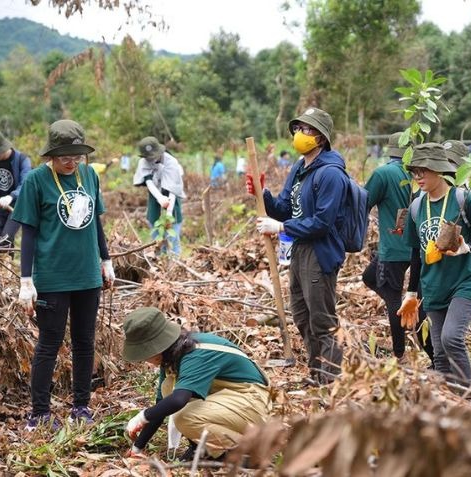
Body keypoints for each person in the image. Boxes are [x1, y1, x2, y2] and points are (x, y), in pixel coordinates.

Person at [11, 119, 114, 430]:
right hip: (53, 277)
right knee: (49, 343)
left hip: (87, 276)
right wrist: (26, 281)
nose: (72, 162)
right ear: (51, 155)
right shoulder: (36, 181)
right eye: (65, 156)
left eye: (77, 156)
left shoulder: (89, 175)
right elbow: (27, 233)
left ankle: (81, 407)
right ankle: (39, 414)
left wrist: (106, 260)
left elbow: (96, 221)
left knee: (85, 342)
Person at [246, 107, 348, 385]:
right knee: (302, 316)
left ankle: (331, 382)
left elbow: (323, 222)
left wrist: (280, 228)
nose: (301, 135)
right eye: (299, 129)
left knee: (323, 321)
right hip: (300, 249)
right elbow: (285, 209)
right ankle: (317, 374)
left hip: (321, 251)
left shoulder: (331, 174)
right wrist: (263, 194)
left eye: (308, 130)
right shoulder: (299, 169)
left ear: (322, 138)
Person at [122, 307, 270, 461]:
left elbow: (179, 400)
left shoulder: (196, 353)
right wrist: (137, 447)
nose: (145, 359)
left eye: (145, 353)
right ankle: (203, 447)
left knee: (184, 416)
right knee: (169, 391)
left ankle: (244, 453)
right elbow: (162, 405)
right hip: (234, 401)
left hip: (254, 402)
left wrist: (142, 416)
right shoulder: (171, 358)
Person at [397, 143, 471, 387]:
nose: (418, 177)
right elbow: (416, 253)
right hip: (433, 286)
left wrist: (465, 247)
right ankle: (450, 404)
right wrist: (411, 293)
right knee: (439, 352)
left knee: (451, 338)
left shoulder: (463, 199)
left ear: (439, 170)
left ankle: (467, 398)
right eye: (414, 172)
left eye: (423, 171)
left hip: (464, 282)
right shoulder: (417, 206)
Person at [362, 132, 433, 364]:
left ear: (388, 149)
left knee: (393, 298)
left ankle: (399, 354)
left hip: (391, 248)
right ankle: (405, 305)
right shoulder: (411, 174)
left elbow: (364, 201)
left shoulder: (383, 173)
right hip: (411, 247)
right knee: (369, 276)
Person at [133, 137, 186, 256]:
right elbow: (149, 182)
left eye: (153, 156)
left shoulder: (171, 162)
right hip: (156, 188)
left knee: (174, 219)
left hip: (172, 189)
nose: (151, 159)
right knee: (153, 216)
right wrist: (159, 198)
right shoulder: (143, 162)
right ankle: (157, 251)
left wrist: (168, 214)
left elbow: (173, 189)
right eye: (148, 157)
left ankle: (174, 255)